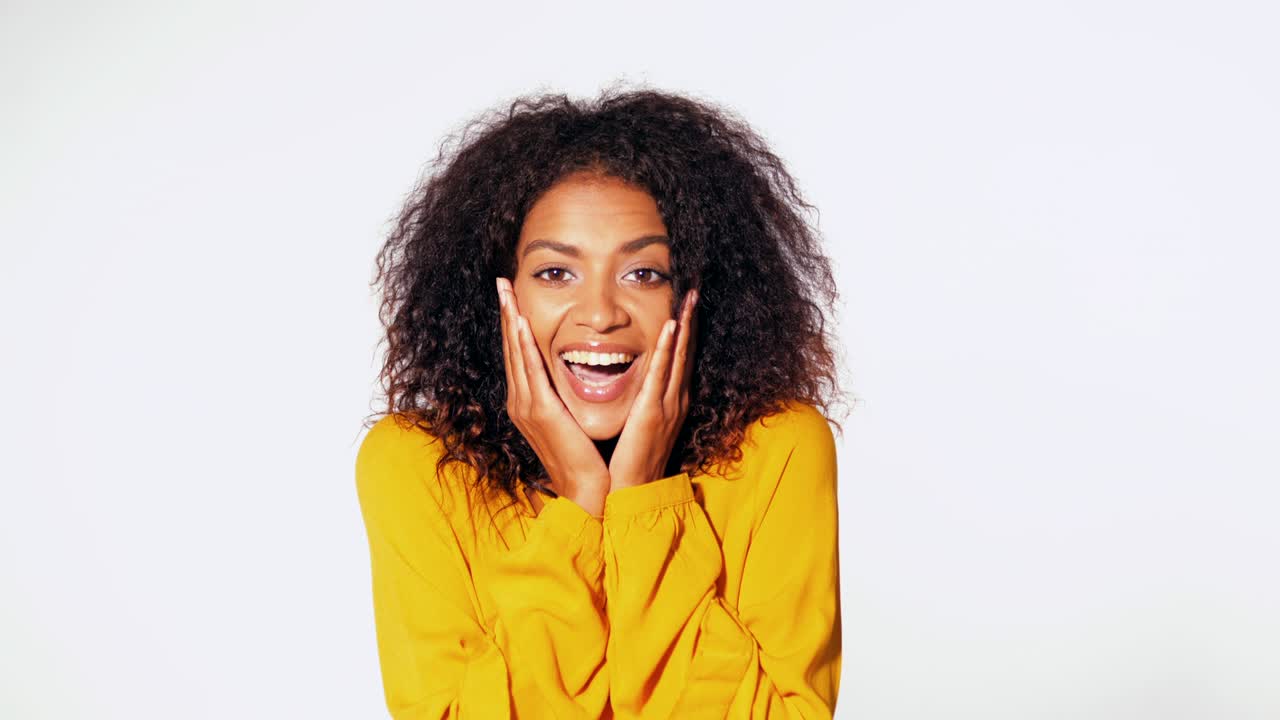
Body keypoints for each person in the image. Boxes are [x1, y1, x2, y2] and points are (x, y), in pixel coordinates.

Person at [355, 86, 847, 719]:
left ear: (694, 295)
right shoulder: (416, 465)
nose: (600, 315)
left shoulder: (778, 450)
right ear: (500, 297)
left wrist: (641, 503)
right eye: (556, 273)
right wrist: (582, 506)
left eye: (643, 274)